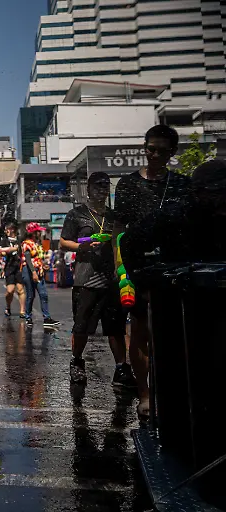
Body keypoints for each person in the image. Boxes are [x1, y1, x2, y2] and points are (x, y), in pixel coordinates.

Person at [112, 124, 191, 419]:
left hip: (173, 267)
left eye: (161, 150)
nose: (154, 155)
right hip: (138, 267)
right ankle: (144, 395)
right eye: (150, 149)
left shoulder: (182, 185)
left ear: (172, 152)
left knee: (170, 334)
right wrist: (119, 267)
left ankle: (168, 393)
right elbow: (119, 228)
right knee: (140, 330)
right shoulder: (128, 185)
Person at [60, 172, 136, 389]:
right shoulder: (77, 215)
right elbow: (64, 243)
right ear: (89, 189)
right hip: (86, 278)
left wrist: (121, 270)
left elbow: (119, 244)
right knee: (81, 325)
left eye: (105, 186)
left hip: (111, 278)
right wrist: (81, 246)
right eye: (97, 186)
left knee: (116, 327)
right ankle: (77, 362)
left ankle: (121, 368)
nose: (101, 190)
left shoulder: (113, 217)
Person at [21, 223, 60, 329]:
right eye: (38, 231)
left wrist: (43, 265)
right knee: (30, 295)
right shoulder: (26, 244)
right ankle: (28, 317)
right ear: (33, 232)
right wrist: (33, 272)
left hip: (39, 270)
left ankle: (47, 318)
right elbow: (28, 259)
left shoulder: (37, 243)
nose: (40, 232)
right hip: (28, 271)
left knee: (43, 294)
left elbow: (38, 257)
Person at [0, 223, 26, 318]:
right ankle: (8, 307)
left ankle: (22, 311)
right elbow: (0, 251)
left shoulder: (20, 240)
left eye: (7, 229)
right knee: (10, 290)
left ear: (12, 229)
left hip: (19, 267)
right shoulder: (4, 241)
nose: (6, 231)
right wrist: (6, 252)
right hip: (9, 267)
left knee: (20, 289)